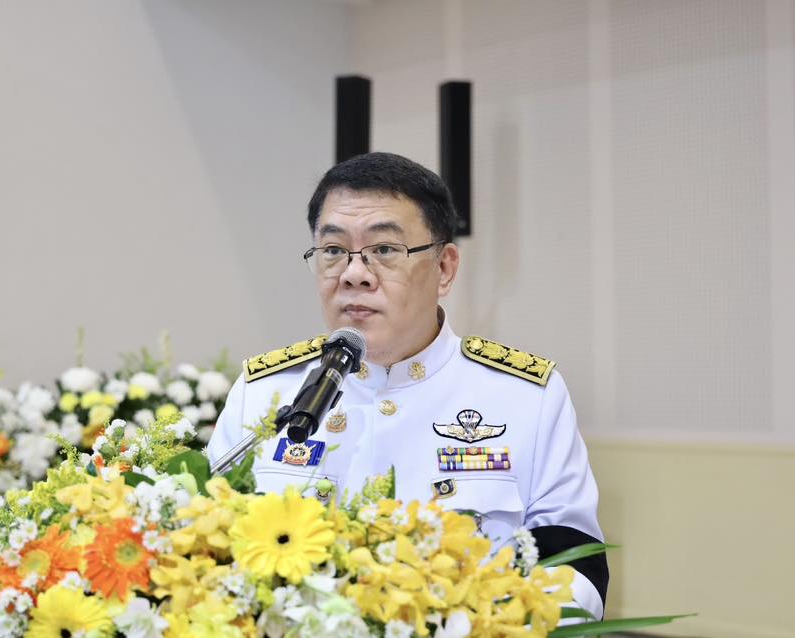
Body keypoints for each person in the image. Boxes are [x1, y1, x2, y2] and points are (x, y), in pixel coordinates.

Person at [207, 151, 608, 618]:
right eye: (333, 250)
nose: (354, 274)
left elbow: (576, 570)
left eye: (384, 250)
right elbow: (207, 548)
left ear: (444, 269)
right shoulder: (263, 392)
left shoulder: (526, 397)